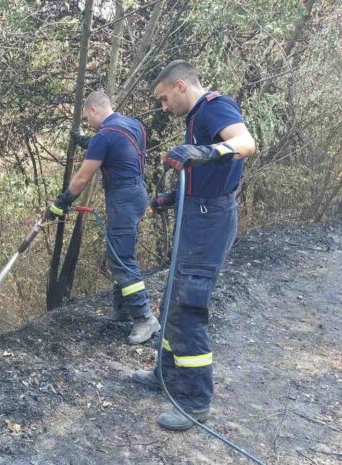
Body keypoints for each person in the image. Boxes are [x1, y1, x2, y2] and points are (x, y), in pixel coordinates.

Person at [133, 60, 256, 431]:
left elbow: (245, 144)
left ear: (181, 85)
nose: (163, 106)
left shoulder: (216, 106)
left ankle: (195, 401)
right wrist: (170, 197)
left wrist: (203, 153)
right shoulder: (195, 117)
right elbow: (207, 176)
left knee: (188, 305)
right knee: (172, 298)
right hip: (198, 215)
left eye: (164, 98)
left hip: (211, 223)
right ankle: (166, 376)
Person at [46, 90, 160, 345]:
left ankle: (144, 318)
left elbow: (83, 178)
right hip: (137, 194)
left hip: (122, 198)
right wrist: (87, 141)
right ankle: (122, 310)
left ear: (94, 110)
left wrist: (61, 202)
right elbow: (119, 148)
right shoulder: (133, 125)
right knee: (119, 251)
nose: (88, 123)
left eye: (87, 118)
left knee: (121, 258)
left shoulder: (104, 136)